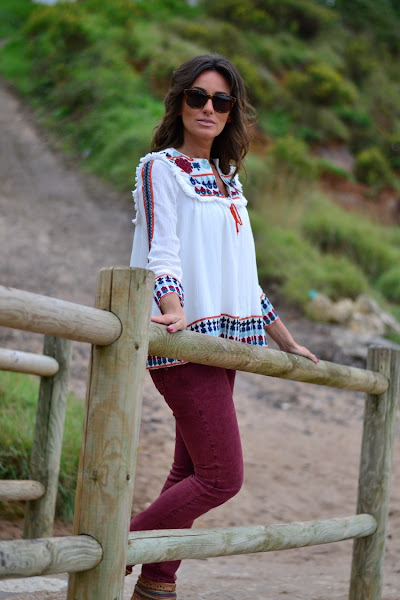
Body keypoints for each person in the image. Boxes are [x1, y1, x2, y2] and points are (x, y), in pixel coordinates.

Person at [128, 53, 318, 600]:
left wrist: (286, 339)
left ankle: (156, 583)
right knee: (221, 478)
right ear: (180, 103)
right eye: (198, 97)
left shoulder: (228, 180)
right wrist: (173, 307)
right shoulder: (160, 169)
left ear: (231, 112)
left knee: (188, 471)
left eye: (221, 100)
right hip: (184, 339)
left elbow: (244, 278)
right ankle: (111, 549)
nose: (208, 108)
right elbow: (163, 250)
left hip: (225, 347)